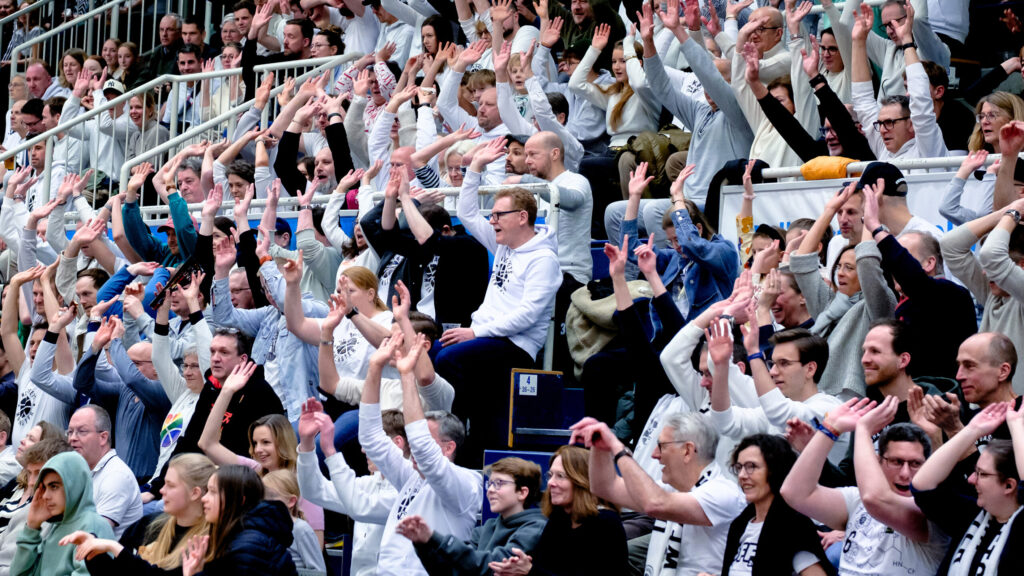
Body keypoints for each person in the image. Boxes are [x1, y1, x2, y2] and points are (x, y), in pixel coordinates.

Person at [436, 138, 561, 465]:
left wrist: (475, 333)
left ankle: (457, 432)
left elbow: (527, 315)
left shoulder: (544, 260)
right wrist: (475, 168)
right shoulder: (503, 244)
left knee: (448, 359)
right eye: (491, 215)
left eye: (498, 215)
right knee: (432, 352)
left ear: (522, 217)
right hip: (486, 336)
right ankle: (451, 433)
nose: (491, 221)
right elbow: (466, 212)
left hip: (515, 344)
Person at [358, 332, 483, 576]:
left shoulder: (465, 483)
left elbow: (425, 452)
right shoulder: (411, 476)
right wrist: (374, 368)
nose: (414, 447)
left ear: (449, 447)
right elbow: (371, 438)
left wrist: (407, 375)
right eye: (416, 439)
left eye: (424, 439)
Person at [781, 397, 949, 575]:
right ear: (878, 462)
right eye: (896, 462)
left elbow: (874, 499)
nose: (905, 473)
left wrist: (862, 430)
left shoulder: (928, 512)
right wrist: (830, 429)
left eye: (915, 464)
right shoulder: (856, 500)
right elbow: (795, 493)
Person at [573, 414, 746, 576]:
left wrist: (618, 449)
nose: (654, 454)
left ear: (687, 450)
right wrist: (599, 447)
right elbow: (605, 487)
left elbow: (654, 503)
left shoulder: (722, 493)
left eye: (661, 446)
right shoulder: (672, 490)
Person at [910, 402, 1024, 575]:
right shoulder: (971, 515)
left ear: (1009, 485)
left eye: (982, 474)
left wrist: (1016, 426)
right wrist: (972, 430)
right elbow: (922, 485)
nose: (971, 479)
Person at [489, 444, 628, 576]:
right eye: (550, 475)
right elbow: (542, 566)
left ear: (582, 481)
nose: (550, 483)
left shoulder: (606, 523)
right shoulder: (559, 517)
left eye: (560, 476)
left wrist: (530, 571)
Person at [65, 453, 216, 574]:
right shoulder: (148, 524)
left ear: (194, 493)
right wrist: (93, 550)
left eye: (170, 485)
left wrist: (114, 547)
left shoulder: (208, 543)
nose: (162, 490)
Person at [397, 457, 547, 575]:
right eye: (490, 484)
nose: (490, 490)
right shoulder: (486, 528)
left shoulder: (535, 527)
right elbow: (453, 570)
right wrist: (423, 544)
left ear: (522, 492)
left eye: (499, 483)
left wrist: (434, 538)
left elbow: (495, 564)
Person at [721, 434, 833, 576]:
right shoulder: (739, 525)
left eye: (751, 467)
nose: (742, 475)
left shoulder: (792, 527)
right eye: (739, 467)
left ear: (775, 470)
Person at [10, 451, 114, 576]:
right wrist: (32, 528)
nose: (46, 496)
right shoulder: (56, 525)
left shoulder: (94, 525)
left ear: (74, 485)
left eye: (54, 487)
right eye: (45, 488)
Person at [64, 405, 143, 539]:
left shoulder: (117, 476)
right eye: (70, 432)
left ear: (103, 437)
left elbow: (93, 534)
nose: (72, 438)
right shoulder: (78, 471)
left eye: (82, 431)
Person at [261, 470, 325, 572]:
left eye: (271, 496)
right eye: (261, 496)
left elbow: (318, 571)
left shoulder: (301, 529)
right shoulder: (262, 527)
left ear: (291, 501)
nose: (263, 501)